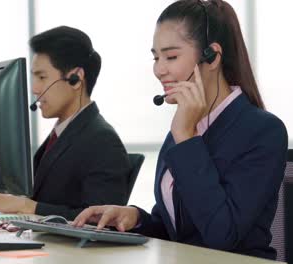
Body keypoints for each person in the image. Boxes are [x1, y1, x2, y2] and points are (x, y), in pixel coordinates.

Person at [73, 0, 288, 260]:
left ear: (212, 56)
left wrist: (186, 136)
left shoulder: (263, 131)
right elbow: (178, 228)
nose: (158, 69)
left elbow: (222, 234)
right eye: (156, 57)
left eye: (171, 57)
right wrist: (135, 217)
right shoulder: (185, 126)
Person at [0, 26, 131, 220]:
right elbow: (34, 195)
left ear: (76, 79)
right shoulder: (62, 134)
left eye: (42, 77)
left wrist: (27, 206)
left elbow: (101, 220)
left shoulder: (101, 140)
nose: (34, 88)